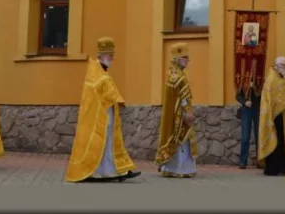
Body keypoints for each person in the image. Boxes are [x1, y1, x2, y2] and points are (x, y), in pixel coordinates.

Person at [65, 36, 140, 183]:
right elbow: (102, 90)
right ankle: (96, 173)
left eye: (112, 55)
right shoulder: (95, 71)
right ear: (102, 55)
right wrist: (117, 98)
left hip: (107, 113)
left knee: (108, 142)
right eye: (110, 55)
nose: (112, 58)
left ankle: (111, 171)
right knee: (100, 142)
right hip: (99, 116)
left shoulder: (101, 70)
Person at [155, 42, 197, 178]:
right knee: (182, 141)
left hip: (171, 115)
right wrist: (188, 112)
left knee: (174, 139)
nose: (187, 61)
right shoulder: (180, 77)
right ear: (177, 59)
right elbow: (184, 97)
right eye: (185, 58)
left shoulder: (171, 73)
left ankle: (171, 167)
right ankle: (182, 169)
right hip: (180, 115)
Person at [258, 56, 285, 176]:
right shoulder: (272, 80)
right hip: (275, 116)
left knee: (283, 141)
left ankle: (282, 167)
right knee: (277, 141)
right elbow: (273, 99)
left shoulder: (280, 78)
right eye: (283, 66)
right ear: (276, 66)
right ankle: (273, 168)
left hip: (283, 115)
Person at [236, 69, 261, 169]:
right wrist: (245, 102)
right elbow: (238, 95)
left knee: (258, 136)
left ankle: (260, 160)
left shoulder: (260, 81)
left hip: (257, 110)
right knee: (245, 136)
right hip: (246, 110)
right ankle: (243, 161)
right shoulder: (243, 82)